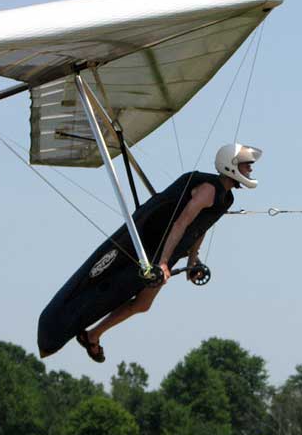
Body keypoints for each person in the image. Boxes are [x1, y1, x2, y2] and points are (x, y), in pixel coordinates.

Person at [38, 143, 262, 362]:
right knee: (117, 289)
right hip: (148, 245)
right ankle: (69, 329)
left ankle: (92, 335)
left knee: (143, 304)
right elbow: (181, 223)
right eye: (246, 164)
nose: (250, 169)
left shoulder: (226, 198)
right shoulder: (208, 189)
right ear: (231, 164)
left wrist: (192, 262)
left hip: (165, 254)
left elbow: (200, 228)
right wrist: (163, 263)